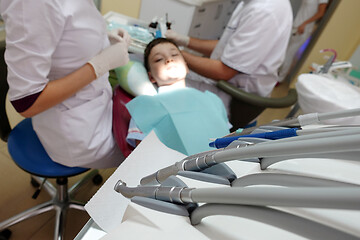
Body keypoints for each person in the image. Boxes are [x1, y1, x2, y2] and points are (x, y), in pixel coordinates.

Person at [0, 0, 131, 168]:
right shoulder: (33, 4)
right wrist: (99, 65)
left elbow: (64, 32)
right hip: (79, 133)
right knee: (145, 147)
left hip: (98, 106)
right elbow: (27, 102)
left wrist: (102, 38)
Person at [165, 0, 293, 117]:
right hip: (226, 85)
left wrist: (174, 54)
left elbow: (224, 71)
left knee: (162, 89)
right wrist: (185, 41)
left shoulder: (264, 11)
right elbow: (230, 48)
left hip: (234, 98)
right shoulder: (254, 4)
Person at [126, 38, 231, 156]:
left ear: (186, 67)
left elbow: (228, 140)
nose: (169, 60)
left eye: (175, 55)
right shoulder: (146, 108)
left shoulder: (213, 100)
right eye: (159, 59)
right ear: (151, 77)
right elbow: (142, 155)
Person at [278, 0, 329, 83]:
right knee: (283, 51)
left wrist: (304, 23)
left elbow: (321, 13)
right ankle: (277, 73)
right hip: (296, 24)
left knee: (289, 54)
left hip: (303, 28)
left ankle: (280, 78)